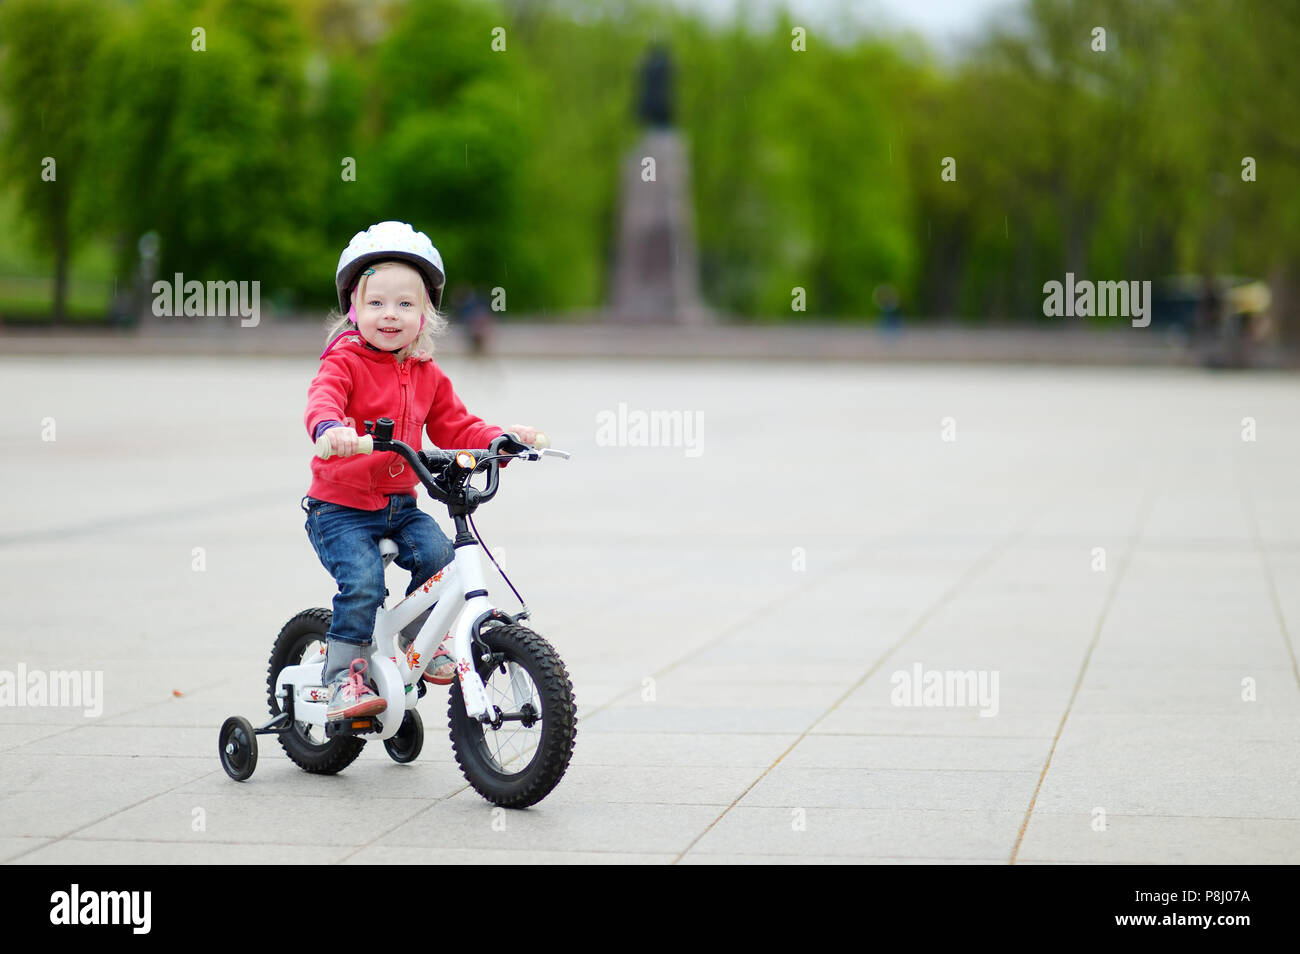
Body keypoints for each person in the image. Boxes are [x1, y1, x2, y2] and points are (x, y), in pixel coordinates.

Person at [301, 221, 539, 722]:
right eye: (378, 303)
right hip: (339, 509)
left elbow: (456, 424)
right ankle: (343, 675)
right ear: (354, 310)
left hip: (399, 506)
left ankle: (418, 639)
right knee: (364, 582)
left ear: (425, 313)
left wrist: (499, 441)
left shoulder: (427, 373)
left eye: (405, 305)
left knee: (440, 556)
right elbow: (322, 399)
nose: (390, 315)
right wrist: (330, 429)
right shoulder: (344, 362)